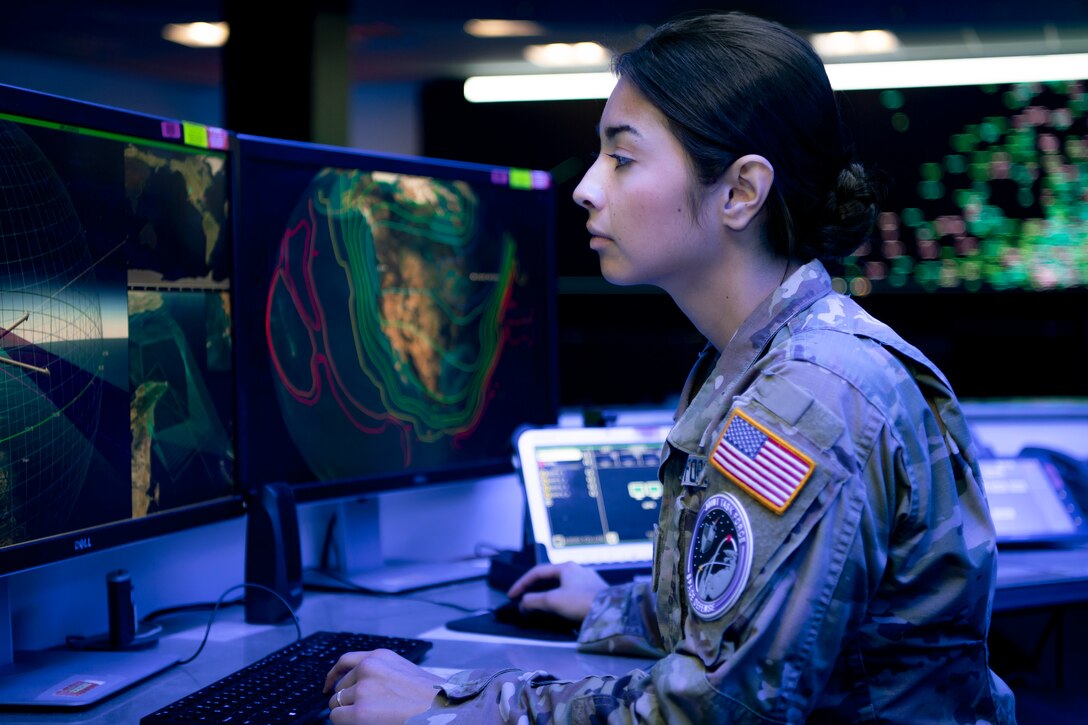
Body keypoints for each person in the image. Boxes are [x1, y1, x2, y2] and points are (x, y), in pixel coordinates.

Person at [323, 11, 1018, 723]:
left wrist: (448, 702)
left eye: (622, 159)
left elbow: (712, 709)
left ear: (741, 192)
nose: (586, 188)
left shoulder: (809, 395)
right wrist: (612, 607)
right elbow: (762, 611)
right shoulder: (758, 359)